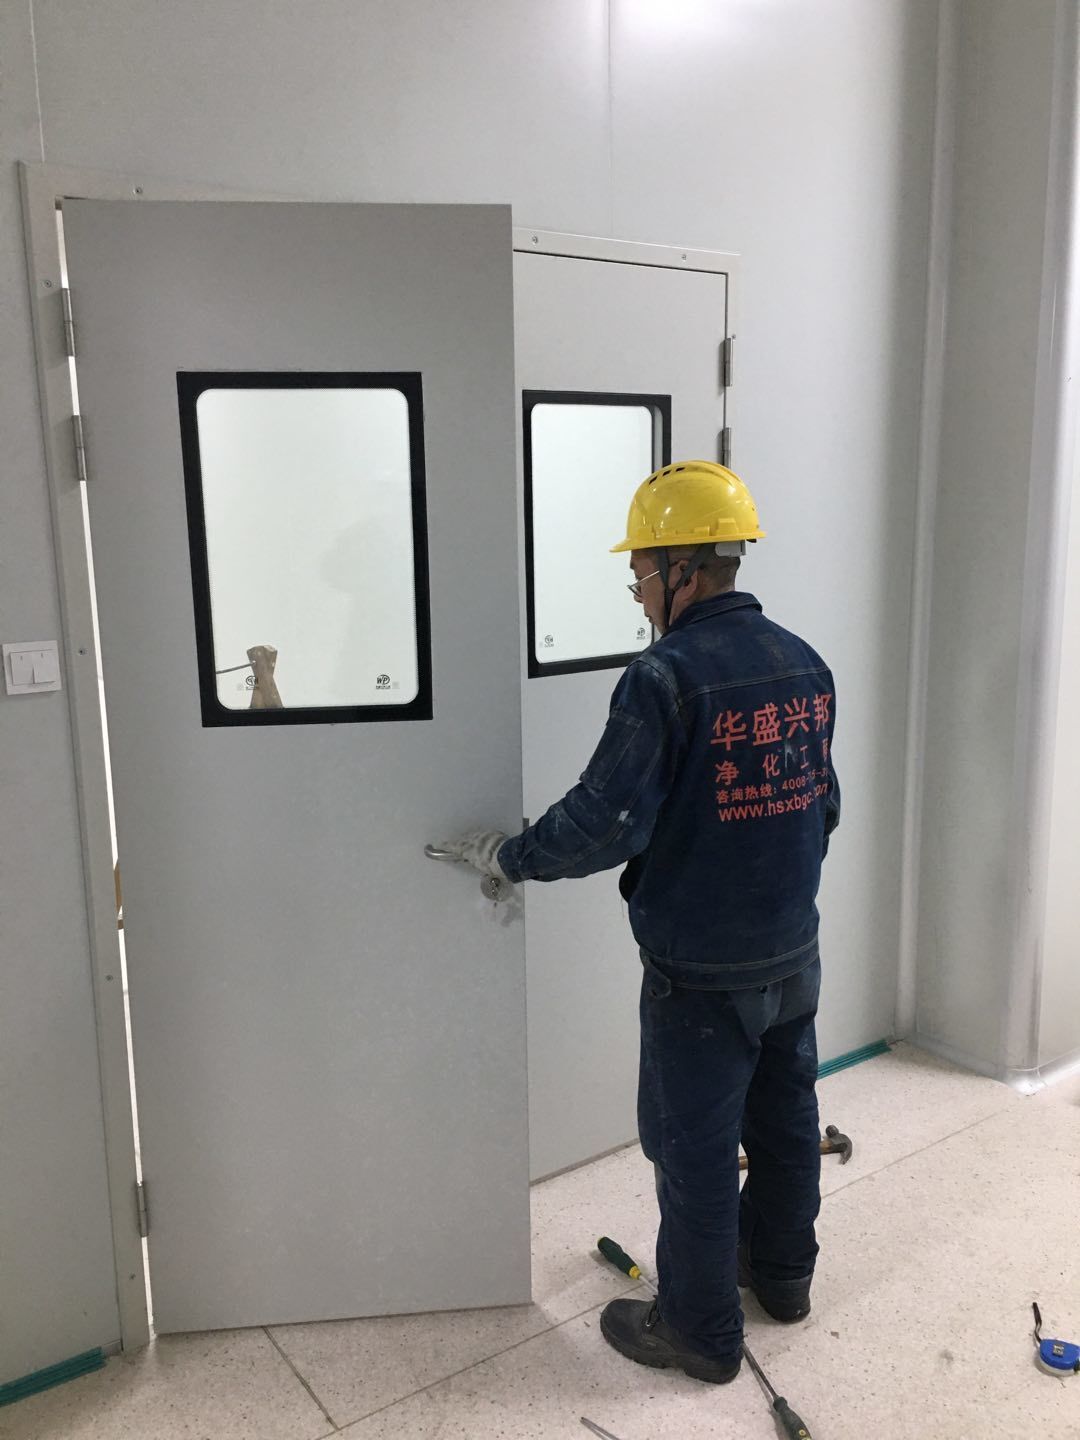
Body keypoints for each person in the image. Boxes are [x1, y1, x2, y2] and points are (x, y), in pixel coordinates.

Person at [437, 460, 839, 1385]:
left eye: (639, 576)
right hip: (794, 952)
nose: (639, 595)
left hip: (700, 971)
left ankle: (700, 1333)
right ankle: (784, 1279)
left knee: (693, 1149)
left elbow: (606, 821)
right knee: (786, 1121)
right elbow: (823, 806)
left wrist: (510, 856)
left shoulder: (664, 676)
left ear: (679, 570)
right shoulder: (803, 661)